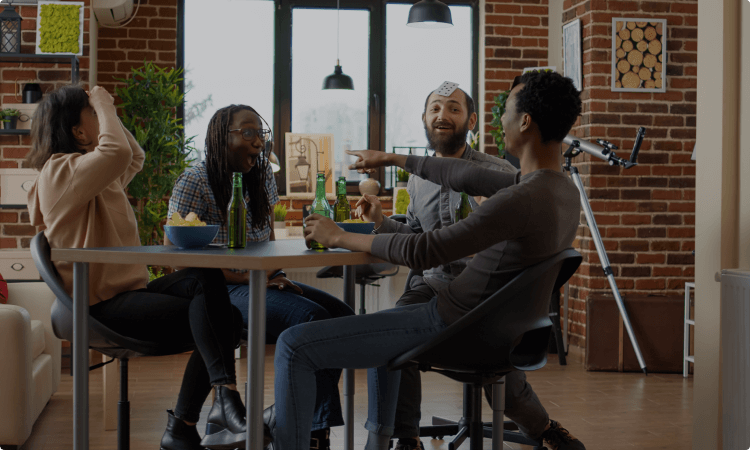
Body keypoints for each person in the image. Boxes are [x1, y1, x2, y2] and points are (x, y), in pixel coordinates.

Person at [274, 70, 583, 450]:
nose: (501, 119)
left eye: (506, 110)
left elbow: (426, 251)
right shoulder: (559, 189)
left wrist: (338, 236)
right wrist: (393, 158)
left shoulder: (521, 197)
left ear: (525, 121)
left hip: (455, 323)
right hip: (490, 325)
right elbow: (463, 174)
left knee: (293, 345)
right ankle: (392, 440)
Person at [25, 85, 263, 450]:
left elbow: (133, 155)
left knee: (208, 283)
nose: (104, 118)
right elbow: (118, 151)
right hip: (98, 305)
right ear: (79, 132)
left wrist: (105, 112)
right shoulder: (60, 172)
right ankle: (209, 410)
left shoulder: (93, 177)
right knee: (224, 320)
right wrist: (101, 100)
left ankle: (195, 420)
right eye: (95, 116)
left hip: (128, 293)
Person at [167, 104, 355, 449]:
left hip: (260, 280)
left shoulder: (261, 174)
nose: (258, 143)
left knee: (343, 317)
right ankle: (308, 433)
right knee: (314, 319)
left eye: (260, 134)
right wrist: (241, 277)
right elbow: (176, 258)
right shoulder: (194, 180)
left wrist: (275, 272)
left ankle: (287, 422)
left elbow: (267, 237)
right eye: (248, 133)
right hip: (220, 290)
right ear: (221, 137)